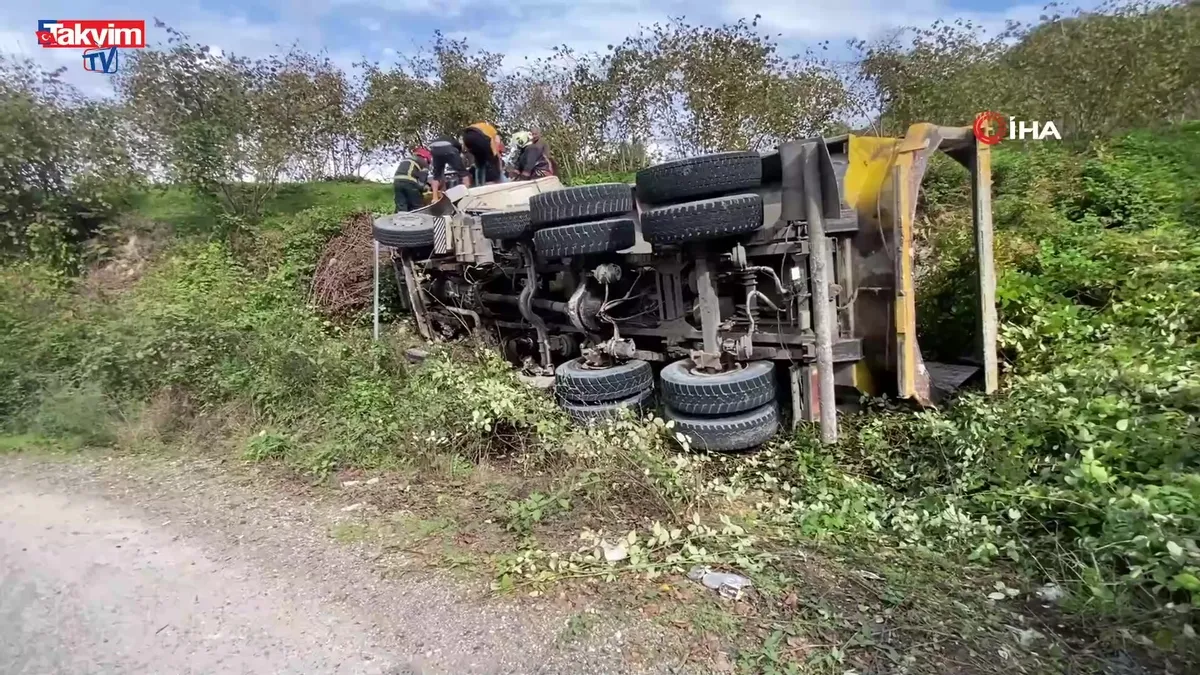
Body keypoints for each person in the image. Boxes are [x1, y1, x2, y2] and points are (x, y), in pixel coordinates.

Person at [427, 134, 469, 200]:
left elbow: (442, 174)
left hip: (434, 148)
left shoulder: (444, 139)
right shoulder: (457, 144)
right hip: (448, 148)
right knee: (463, 172)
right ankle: (467, 192)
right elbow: (458, 155)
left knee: (436, 176)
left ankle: (434, 198)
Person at [461, 121, 504, 185]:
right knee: (492, 163)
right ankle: (491, 183)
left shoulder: (485, 127)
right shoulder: (494, 133)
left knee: (479, 163)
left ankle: (477, 182)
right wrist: (499, 169)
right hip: (478, 136)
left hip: (466, 137)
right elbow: (496, 152)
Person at [393, 147, 431, 213]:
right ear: (426, 158)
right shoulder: (424, 162)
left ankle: (401, 220)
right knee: (417, 206)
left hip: (397, 181)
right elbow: (422, 182)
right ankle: (417, 221)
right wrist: (425, 189)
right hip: (409, 182)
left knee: (401, 206)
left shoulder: (407, 159)